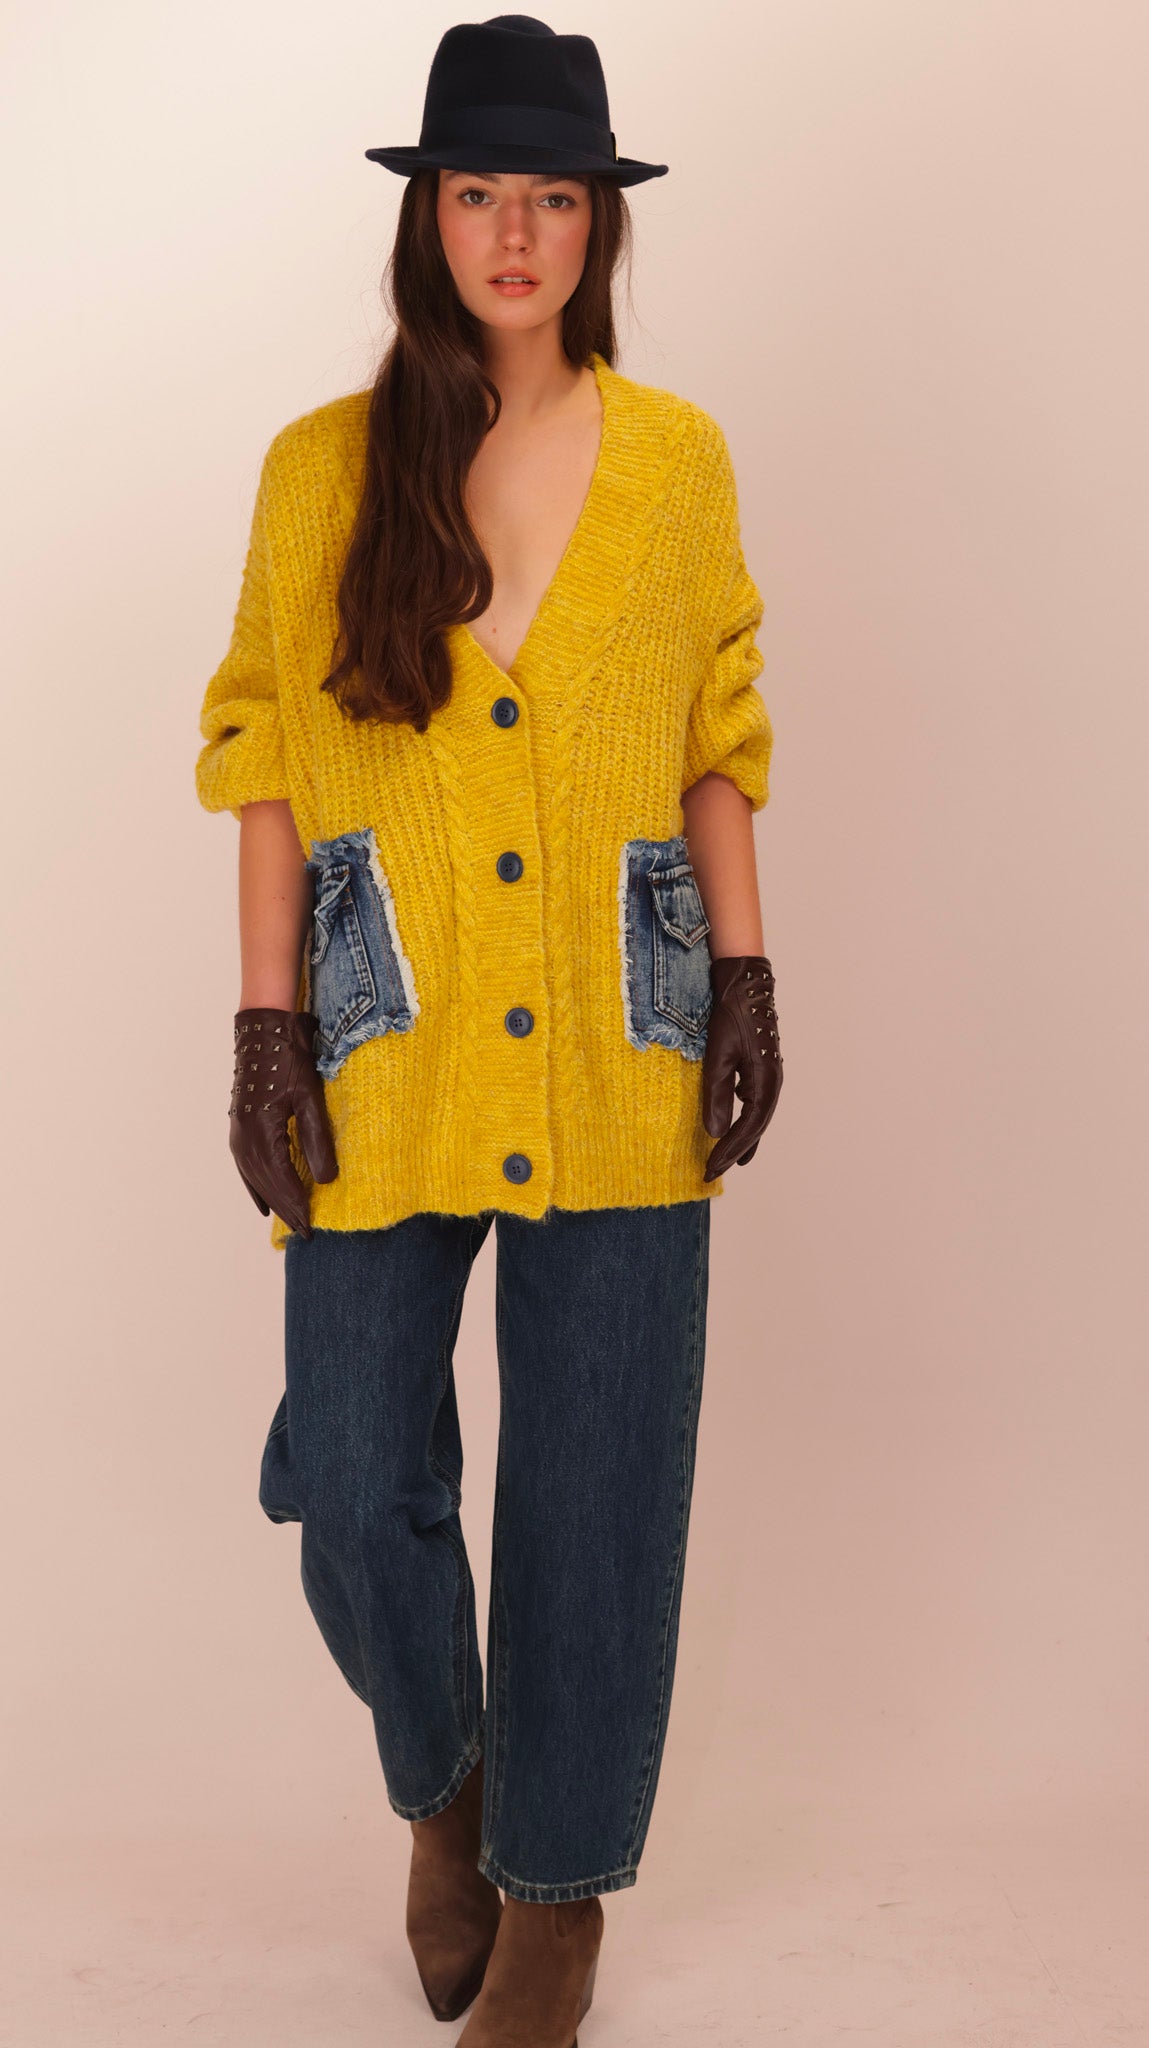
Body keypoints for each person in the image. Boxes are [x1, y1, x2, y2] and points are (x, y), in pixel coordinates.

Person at [194, 16, 783, 2046]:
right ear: (425, 217)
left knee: (594, 1490)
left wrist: (746, 976)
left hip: (625, 1026)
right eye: (477, 192)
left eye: (552, 195)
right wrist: (264, 1030)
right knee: (356, 1473)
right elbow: (268, 763)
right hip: (385, 1032)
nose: (514, 231)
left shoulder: (675, 459)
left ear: (596, 223)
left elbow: (713, 737)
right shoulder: (319, 469)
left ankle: (554, 1899)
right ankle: (443, 1783)